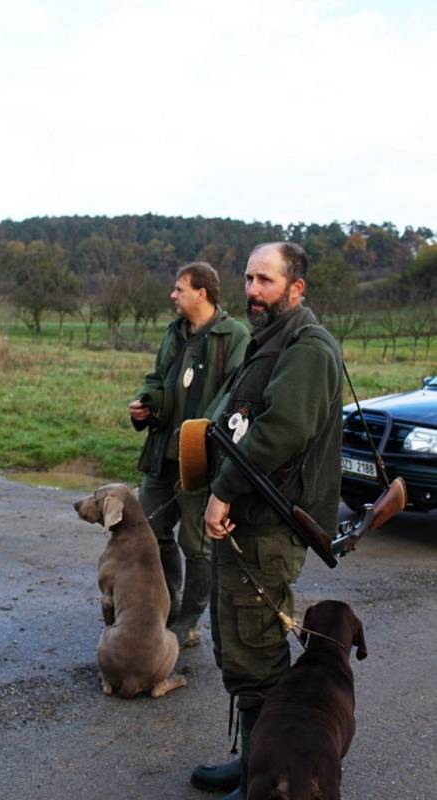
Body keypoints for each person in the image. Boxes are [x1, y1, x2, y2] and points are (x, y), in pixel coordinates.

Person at [190, 243, 344, 800]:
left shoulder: (307, 348)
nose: (252, 291)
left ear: (296, 288)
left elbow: (280, 431)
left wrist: (223, 491)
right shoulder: (269, 341)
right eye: (249, 278)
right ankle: (250, 762)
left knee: (258, 653)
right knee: (238, 647)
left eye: (266, 281)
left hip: (266, 529)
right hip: (246, 527)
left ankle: (270, 778)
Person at [128, 262, 248, 647]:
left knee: (196, 545)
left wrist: (199, 433)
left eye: (179, 289)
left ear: (202, 293)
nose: (172, 295)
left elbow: (235, 393)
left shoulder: (235, 336)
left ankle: (190, 621)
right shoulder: (175, 331)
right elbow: (158, 378)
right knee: (149, 528)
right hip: (163, 452)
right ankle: (167, 603)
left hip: (201, 459)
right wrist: (147, 403)